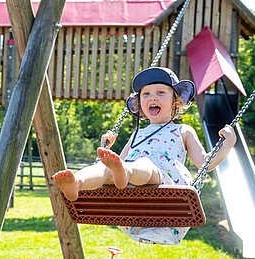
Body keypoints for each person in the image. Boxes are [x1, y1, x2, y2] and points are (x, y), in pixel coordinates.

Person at [52, 67, 237, 245]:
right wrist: (105, 149)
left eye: (161, 93)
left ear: (176, 100)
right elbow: (115, 161)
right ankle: (76, 184)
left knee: (143, 165)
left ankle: (124, 172)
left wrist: (228, 143)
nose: (153, 97)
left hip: (162, 181)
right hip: (129, 185)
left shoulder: (182, 130)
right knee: (105, 168)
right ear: (139, 102)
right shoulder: (136, 134)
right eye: (146, 94)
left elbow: (204, 163)